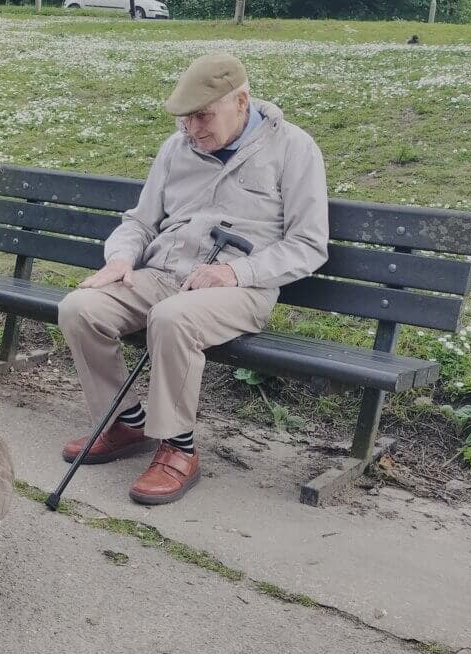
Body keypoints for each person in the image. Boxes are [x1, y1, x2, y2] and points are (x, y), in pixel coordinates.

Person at [58, 52, 329, 506]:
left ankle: (179, 448)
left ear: (241, 101)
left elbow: (308, 244)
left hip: (241, 288)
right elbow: (140, 222)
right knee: (80, 308)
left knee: (172, 319)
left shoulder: (294, 149)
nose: (193, 130)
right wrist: (122, 257)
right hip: (164, 274)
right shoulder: (175, 148)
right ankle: (126, 421)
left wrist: (234, 271)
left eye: (203, 116)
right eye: (185, 119)